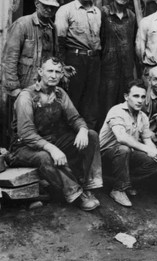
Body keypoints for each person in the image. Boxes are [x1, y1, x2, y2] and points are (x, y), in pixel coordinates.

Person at [9, 56, 102, 211]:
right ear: (40, 72)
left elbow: (75, 118)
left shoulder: (60, 93)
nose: (53, 75)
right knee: (44, 156)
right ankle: (76, 194)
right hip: (23, 148)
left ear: (61, 75)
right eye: (50, 71)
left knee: (91, 135)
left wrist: (83, 130)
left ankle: (88, 185)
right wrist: (52, 149)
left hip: (51, 140)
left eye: (57, 72)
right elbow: (26, 134)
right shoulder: (27, 96)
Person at [100, 79, 157, 207]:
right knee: (123, 149)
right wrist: (147, 150)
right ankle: (118, 189)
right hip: (105, 157)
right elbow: (121, 137)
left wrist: (155, 152)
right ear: (126, 97)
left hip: (126, 156)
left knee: (154, 161)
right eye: (136, 96)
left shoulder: (142, 116)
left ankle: (126, 181)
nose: (140, 100)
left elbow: (147, 140)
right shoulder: (117, 111)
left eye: (143, 97)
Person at [55, 0, 102, 129]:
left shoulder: (97, 12)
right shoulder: (66, 10)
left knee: (92, 102)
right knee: (73, 100)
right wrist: (62, 66)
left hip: (94, 60)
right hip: (75, 60)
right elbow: (59, 41)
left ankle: (90, 139)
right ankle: (70, 139)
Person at [2, 0, 60, 98]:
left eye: (52, 7)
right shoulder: (22, 24)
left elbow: (54, 57)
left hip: (44, 88)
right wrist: (14, 89)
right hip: (23, 87)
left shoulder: (53, 28)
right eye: (45, 6)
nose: (49, 10)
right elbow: (9, 59)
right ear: (36, 4)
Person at [99, 0, 137, 127]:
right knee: (107, 103)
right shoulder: (103, 12)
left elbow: (133, 42)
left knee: (125, 103)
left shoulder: (131, 16)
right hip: (108, 67)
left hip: (126, 69)